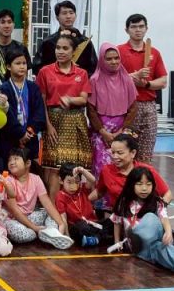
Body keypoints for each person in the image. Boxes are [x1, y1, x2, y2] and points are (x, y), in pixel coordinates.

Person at [37, 33, 92, 199]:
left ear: (74, 51)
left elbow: (84, 99)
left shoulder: (82, 73)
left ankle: (74, 206)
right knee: (54, 168)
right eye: (58, 48)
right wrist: (48, 125)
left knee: (75, 168)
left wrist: (70, 99)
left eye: (65, 48)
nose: (60, 51)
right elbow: (42, 101)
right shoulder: (45, 71)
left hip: (76, 122)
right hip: (54, 121)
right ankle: (54, 208)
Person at [117, 14, 167, 163]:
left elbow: (163, 81)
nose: (137, 30)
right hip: (126, 106)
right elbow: (113, 79)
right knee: (125, 150)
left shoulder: (154, 53)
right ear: (127, 30)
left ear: (146, 29)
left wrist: (146, 84)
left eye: (141, 26)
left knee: (146, 151)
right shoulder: (118, 51)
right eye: (133, 27)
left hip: (148, 107)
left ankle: (142, 176)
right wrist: (133, 77)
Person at [3, 147, 74, 249]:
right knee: (26, 234)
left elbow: (47, 204)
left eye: (16, 159)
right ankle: (46, 234)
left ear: (28, 163)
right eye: (10, 160)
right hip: (13, 220)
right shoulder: (7, 181)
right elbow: (15, 211)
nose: (12, 162)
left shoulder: (36, 179)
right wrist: (35, 228)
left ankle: (53, 233)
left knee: (51, 215)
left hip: (30, 217)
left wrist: (61, 223)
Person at [87, 43, 139, 178]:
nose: (114, 62)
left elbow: (133, 107)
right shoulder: (94, 80)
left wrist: (121, 131)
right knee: (100, 167)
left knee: (121, 166)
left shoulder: (127, 79)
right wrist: (103, 132)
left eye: (116, 58)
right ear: (101, 60)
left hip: (122, 131)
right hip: (100, 133)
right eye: (109, 59)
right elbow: (91, 109)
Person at [91, 133, 172, 213]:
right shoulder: (106, 170)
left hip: (144, 216)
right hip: (119, 217)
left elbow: (167, 194)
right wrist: (85, 200)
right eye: (113, 152)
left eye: (120, 153)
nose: (115, 156)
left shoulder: (147, 170)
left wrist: (160, 212)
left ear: (133, 153)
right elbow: (99, 192)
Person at [0, 50, 45, 172]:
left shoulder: (33, 87)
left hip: (30, 138)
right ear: (8, 66)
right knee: (10, 174)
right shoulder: (3, 89)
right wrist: (20, 134)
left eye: (24, 63)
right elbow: (7, 115)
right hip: (10, 139)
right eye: (17, 63)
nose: (22, 66)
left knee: (30, 174)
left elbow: (39, 113)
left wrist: (29, 132)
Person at [32, 1, 98, 75]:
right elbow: (37, 67)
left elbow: (93, 67)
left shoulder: (85, 42)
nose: (68, 16)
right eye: (64, 13)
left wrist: (79, 77)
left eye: (71, 13)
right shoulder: (48, 42)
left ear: (75, 16)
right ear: (57, 17)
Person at [55, 164, 106, 248]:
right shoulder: (60, 196)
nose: (73, 186)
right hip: (77, 226)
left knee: (111, 223)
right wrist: (67, 237)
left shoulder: (82, 189)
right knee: (81, 227)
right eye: (69, 182)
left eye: (76, 182)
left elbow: (93, 180)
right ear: (61, 180)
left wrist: (83, 171)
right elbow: (63, 218)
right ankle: (98, 238)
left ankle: (94, 239)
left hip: (92, 223)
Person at [0, 9, 30, 92]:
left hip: (16, 93)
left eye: (9, 22)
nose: (7, 26)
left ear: (13, 25)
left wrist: (19, 92)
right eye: (3, 22)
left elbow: (24, 73)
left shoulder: (21, 47)